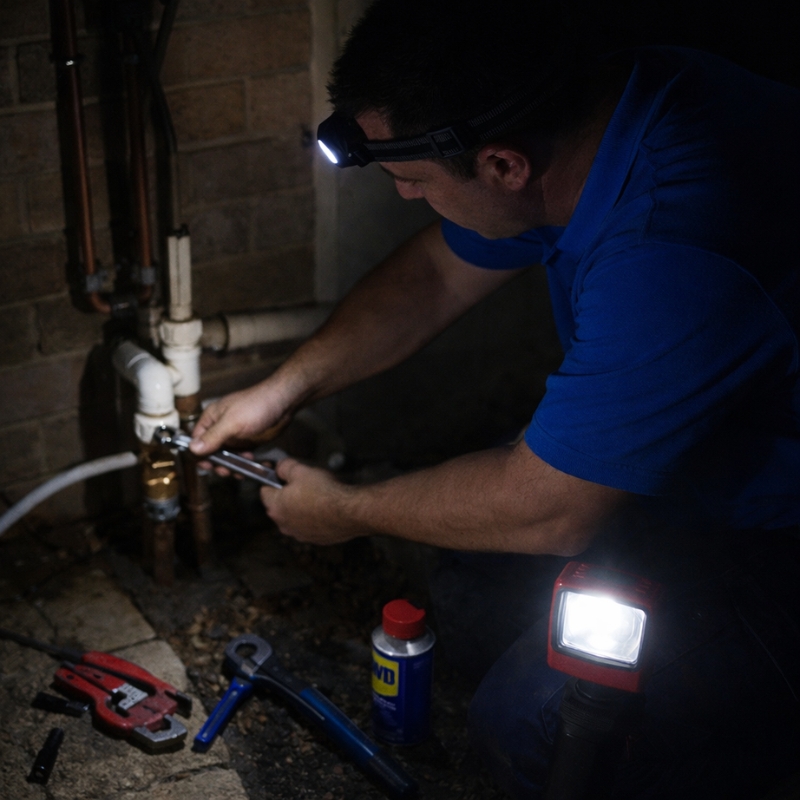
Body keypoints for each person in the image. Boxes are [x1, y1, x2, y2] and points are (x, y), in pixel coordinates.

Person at [190, 0, 800, 796]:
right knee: (468, 590)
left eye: (411, 179)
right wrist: (282, 389)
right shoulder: (596, 114)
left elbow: (545, 507)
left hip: (773, 545)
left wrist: (342, 509)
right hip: (697, 478)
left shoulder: (674, 249)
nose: (406, 197)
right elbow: (435, 275)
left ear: (504, 167)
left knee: (532, 727)